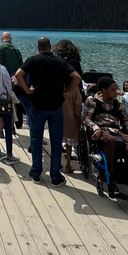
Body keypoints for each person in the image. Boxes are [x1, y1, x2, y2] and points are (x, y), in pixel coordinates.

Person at [15, 37, 81, 186]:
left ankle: (36, 173)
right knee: (56, 142)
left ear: (39, 47)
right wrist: (68, 92)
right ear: (49, 47)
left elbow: (19, 74)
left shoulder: (32, 60)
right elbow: (76, 77)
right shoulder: (60, 62)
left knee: (36, 140)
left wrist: (28, 90)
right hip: (56, 106)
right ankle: (55, 176)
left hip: (37, 106)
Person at [83, 76, 128, 202]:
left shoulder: (118, 102)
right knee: (110, 141)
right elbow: (86, 118)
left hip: (116, 130)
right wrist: (96, 128)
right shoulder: (92, 101)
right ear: (103, 90)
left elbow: (125, 121)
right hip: (101, 129)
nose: (116, 92)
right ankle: (111, 176)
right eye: (113, 90)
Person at [54, 39, 83, 174]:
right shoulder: (74, 62)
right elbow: (78, 79)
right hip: (72, 92)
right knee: (70, 132)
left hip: (59, 91)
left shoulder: (58, 61)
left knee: (58, 129)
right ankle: (68, 164)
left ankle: (57, 163)